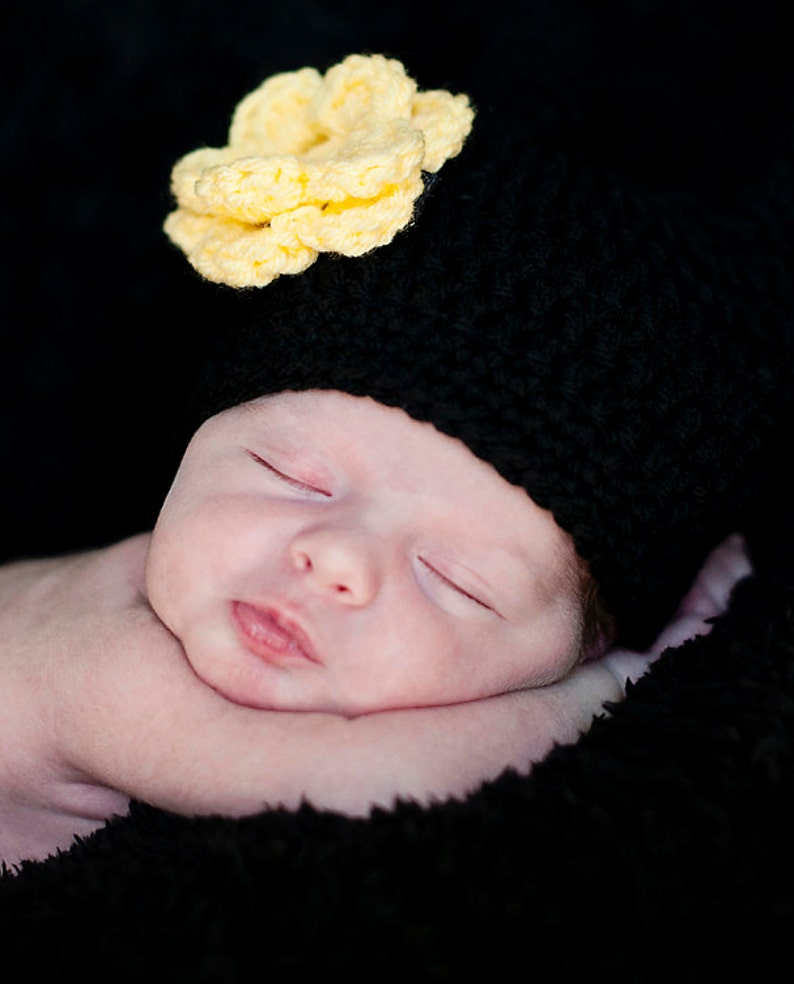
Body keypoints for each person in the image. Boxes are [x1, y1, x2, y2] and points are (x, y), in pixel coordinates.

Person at [0, 54, 787, 871]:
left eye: (453, 578)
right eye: (289, 473)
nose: (335, 554)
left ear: (574, 643)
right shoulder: (117, 665)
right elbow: (358, 783)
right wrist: (623, 685)